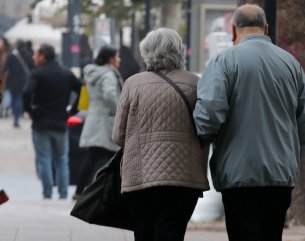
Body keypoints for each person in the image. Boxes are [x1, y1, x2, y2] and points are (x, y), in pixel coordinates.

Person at [193, 4, 305, 241]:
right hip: (279, 175)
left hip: (239, 176)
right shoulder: (291, 64)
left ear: (233, 30)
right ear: (266, 28)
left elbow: (207, 118)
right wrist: (291, 159)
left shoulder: (224, 62)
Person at [112, 28, 209, 241]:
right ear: (179, 51)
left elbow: (118, 136)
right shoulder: (196, 83)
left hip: (140, 178)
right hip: (183, 178)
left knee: (144, 234)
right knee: (172, 233)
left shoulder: (133, 83)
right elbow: (206, 130)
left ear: (147, 52)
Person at [23, 43, 81, 199]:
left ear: (43, 56)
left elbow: (27, 92)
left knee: (44, 159)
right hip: (61, 122)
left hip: (41, 122)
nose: (34, 57)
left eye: (36, 54)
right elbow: (83, 89)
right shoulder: (66, 73)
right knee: (62, 160)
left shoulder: (37, 74)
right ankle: (63, 194)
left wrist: (29, 110)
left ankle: (47, 193)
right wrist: (73, 110)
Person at [73, 45, 123, 200]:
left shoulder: (93, 73)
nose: (119, 60)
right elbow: (109, 95)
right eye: (117, 56)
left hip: (94, 118)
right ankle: (109, 192)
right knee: (113, 157)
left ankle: (80, 191)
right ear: (110, 58)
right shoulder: (108, 74)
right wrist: (118, 110)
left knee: (94, 157)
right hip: (105, 122)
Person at [4, 40, 35, 127]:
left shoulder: (11, 56)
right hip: (24, 81)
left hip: (12, 81)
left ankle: (15, 116)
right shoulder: (28, 55)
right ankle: (18, 115)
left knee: (14, 99)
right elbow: (33, 67)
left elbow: (6, 68)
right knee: (19, 98)